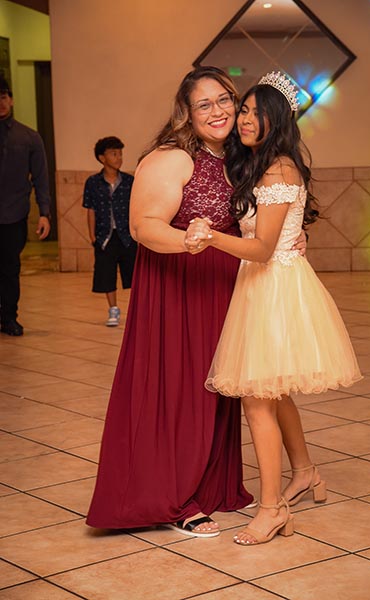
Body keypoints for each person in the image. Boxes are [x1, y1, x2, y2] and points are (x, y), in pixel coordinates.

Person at [86, 67, 306, 537]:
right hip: (179, 288)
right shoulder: (171, 157)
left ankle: (210, 484)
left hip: (229, 286)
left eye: (225, 99)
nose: (219, 111)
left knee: (220, 390)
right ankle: (173, 496)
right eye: (204, 104)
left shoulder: (242, 156)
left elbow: (266, 213)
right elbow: (144, 226)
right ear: (186, 112)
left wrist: (293, 235)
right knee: (179, 388)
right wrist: (192, 241)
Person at [185, 72, 362, 546]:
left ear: (277, 119)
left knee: (257, 400)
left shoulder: (279, 168)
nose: (244, 118)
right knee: (276, 392)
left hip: (273, 285)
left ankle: (271, 509)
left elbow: (261, 248)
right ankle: (304, 473)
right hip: (263, 283)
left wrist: (209, 234)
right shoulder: (261, 165)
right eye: (243, 109)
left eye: (256, 112)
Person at [0, 76, 51, 336]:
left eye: (4, 97)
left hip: (14, 215)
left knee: (10, 268)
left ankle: (9, 317)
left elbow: (41, 177)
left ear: (11, 99)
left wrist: (44, 213)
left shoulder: (29, 137)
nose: (1, 103)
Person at [83, 136, 136, 327]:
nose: (119, 157)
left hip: (127, 235)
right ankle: (113, 309)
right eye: (114, 153)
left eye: (120, 153)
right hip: (105, 237)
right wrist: (92, 236)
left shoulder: (130, 181)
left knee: (133, 273)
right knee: (107, 274)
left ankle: (135, 310)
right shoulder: (93, 183)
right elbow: (90, 210)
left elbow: (136, 207)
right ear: (102, 157)